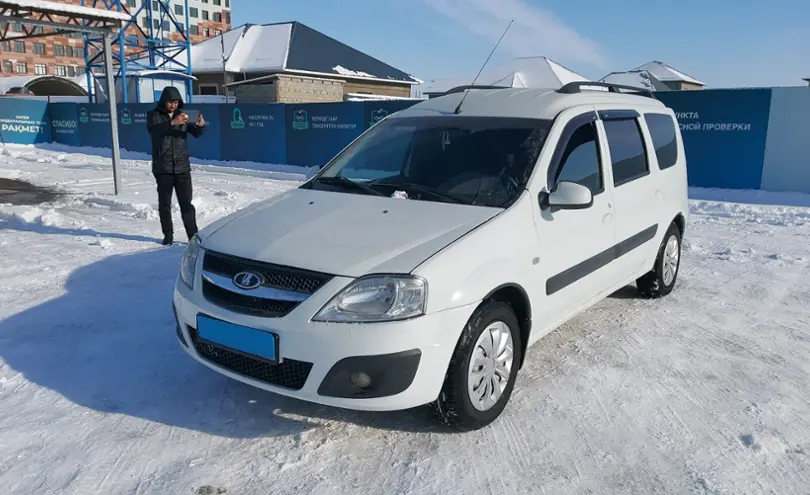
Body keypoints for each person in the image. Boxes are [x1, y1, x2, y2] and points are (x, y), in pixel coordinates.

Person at [146, 86, 206, 245]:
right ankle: (168, 235)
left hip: (182, 167)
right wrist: (172, 122)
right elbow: (155, 130)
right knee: (164, 204)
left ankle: (193, 237)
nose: (173, 105)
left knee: (186, 204)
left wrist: (200, 125)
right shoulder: (153, 115)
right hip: (163, 168)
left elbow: (196, 133)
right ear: (163, 101)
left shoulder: (183, 116)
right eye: (170, 102)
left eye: (176, 102)